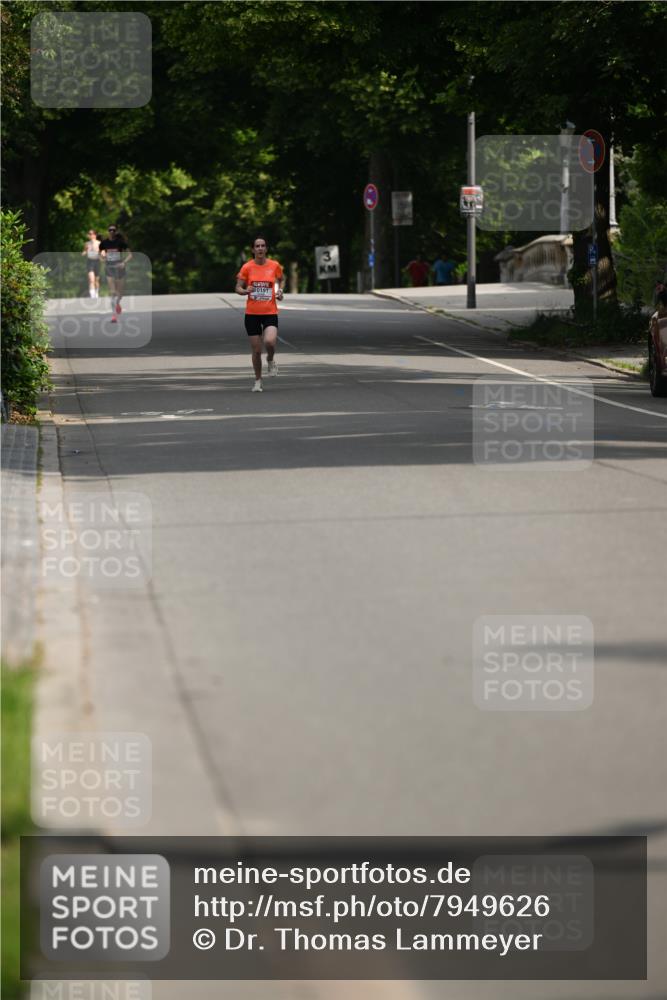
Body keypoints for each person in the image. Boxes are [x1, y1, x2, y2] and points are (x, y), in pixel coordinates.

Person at [235, 236, 285, 392]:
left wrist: (280, 290)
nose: (260, 248)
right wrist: (244, 291)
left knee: (270, 342)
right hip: (252, 314)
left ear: (266, 249)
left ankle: (270, 359)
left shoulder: (274, 265)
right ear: (253, 249)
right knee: (256, 350)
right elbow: (238, 287)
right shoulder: (247, 267)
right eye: (257, 246)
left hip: (270, 311)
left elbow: (282, 279)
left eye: (263, 246)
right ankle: (258, 381)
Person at [99, 224, 132, 322]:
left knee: (120, 294)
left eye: (113, 230)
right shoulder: (104, 243)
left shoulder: (121, 242)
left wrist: (124, 263)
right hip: (109, 268)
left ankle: (118, 303)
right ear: (107, 231)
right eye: (110, 230)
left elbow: (130, 255)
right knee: (113, 292)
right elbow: (99, 254)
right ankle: (114, 316)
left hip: (120, 269)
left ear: (116, 231)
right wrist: (102, 259)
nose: (112, 232)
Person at [81, 229, 100, 298]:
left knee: (96, 280)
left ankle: (97, 293)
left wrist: (101, 253)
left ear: (95, 235)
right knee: (91, 279)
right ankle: (92, 296)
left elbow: (103, 252)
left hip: (97, 262)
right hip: (90, 262)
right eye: (89, 234)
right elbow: (84, 251)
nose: (89, 235)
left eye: (91, 234)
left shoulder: (99, 243)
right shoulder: (87, 243)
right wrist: (83, 253)